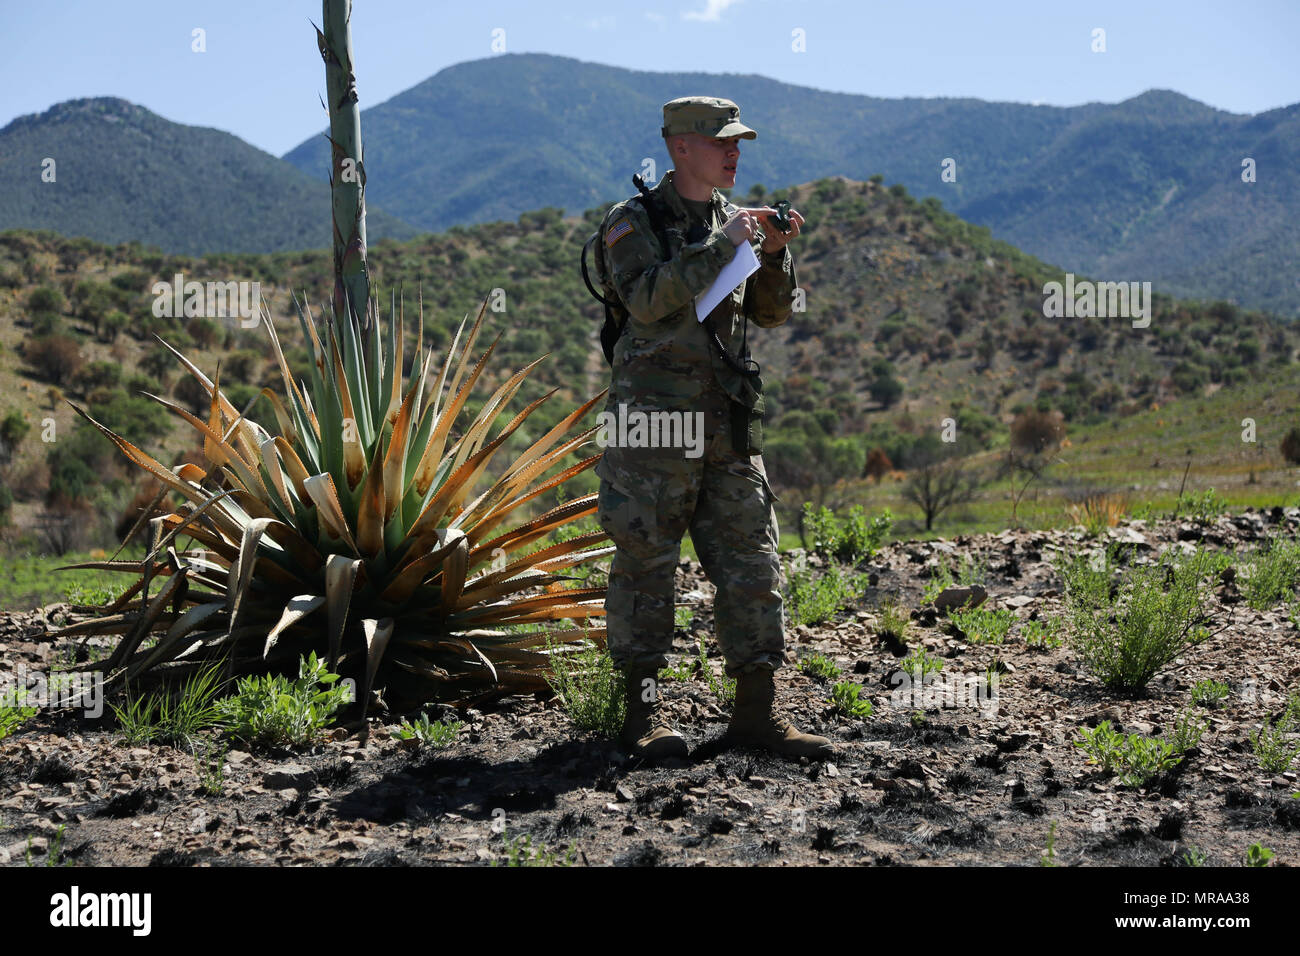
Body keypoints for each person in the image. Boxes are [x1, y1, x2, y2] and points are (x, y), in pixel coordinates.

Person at [594, 95, 834, 761]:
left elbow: (771, 313)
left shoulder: (738, 223)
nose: (734, 152)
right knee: (646, 569)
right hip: (653, 433)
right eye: (720, 141)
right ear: (680, 147)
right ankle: (641, 720)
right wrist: (720, 245)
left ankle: (756, 716)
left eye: (738, 142)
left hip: (725, 424)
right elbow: (645, 300)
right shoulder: (632, 223)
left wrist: (776, 253)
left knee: (752, 566)